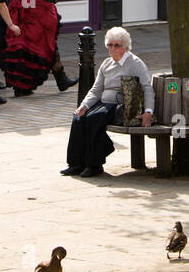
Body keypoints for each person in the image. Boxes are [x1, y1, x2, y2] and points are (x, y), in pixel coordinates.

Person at [65, 27, 153, 177]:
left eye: (117, 45)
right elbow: (96, 90)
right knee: (78, 118)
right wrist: (84, 106)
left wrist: (148, 112)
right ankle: (76, 163)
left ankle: (94, 165)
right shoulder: (106, 64)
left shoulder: (135, 63)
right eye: (110, 45)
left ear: (125, 47)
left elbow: (147, 88)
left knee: (93, 119)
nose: (112, 49)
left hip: (121, 106)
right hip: (103, 103)